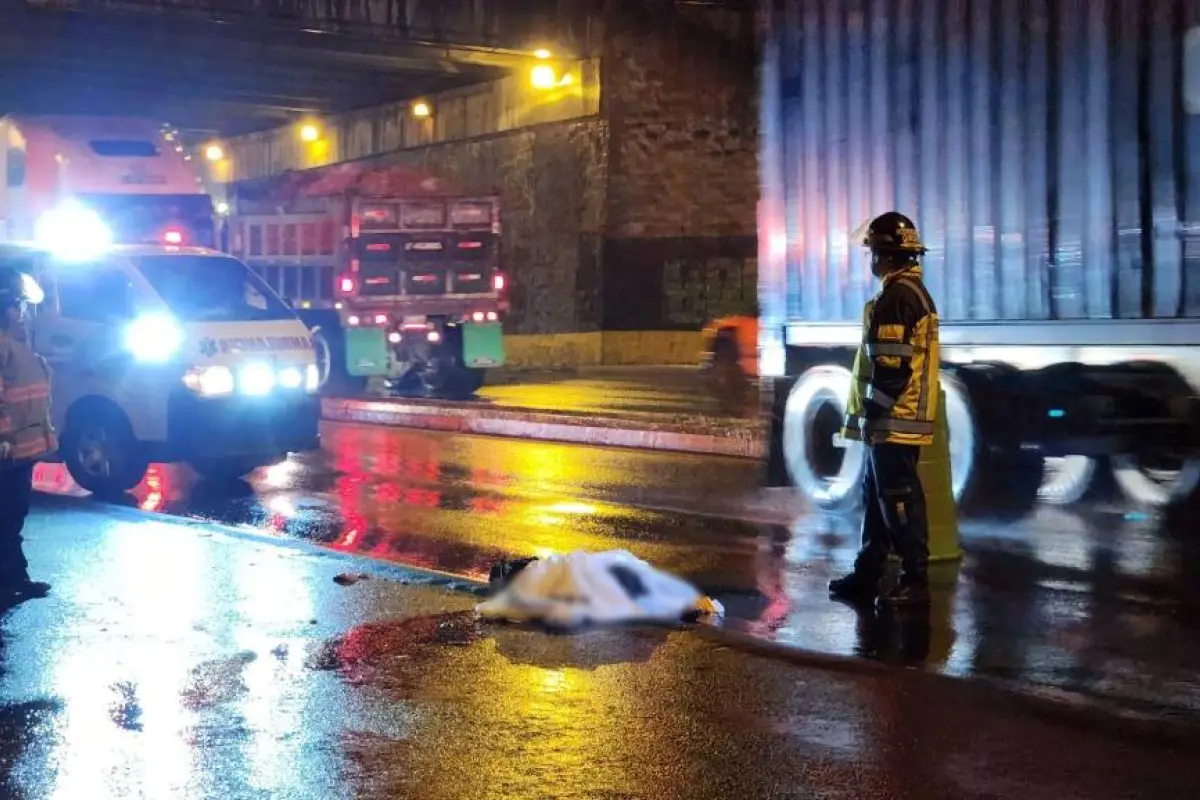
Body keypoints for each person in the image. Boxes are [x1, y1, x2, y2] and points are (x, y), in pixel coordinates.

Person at [828, 212, 940, 607]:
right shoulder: (909, 294)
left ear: (884, 255)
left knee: (898, 499)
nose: (871, 260)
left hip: (895, 420)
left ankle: (914, 579)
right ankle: (868, 574)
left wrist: (873, 415)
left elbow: (891, 369)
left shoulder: (897, 299)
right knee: (878, 498)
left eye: (873, 252)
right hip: (895, 419)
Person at [0, 266, 55, 601]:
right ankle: (10, 580)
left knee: (13, 513)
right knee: (7, 514)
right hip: (8, 449)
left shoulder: (19, 342)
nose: (23, 312)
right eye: (18, 306)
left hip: (21, 448)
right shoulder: (5, 344)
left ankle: (14, 576)